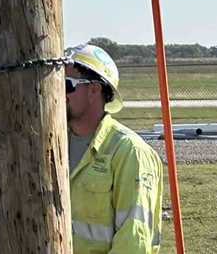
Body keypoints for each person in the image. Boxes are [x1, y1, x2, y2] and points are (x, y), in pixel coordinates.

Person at [66, 43, 163, 254]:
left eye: (67, 85)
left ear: (94, 90)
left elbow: (133, 243)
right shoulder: (52, 144)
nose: (57, 92)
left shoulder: (130, 152)